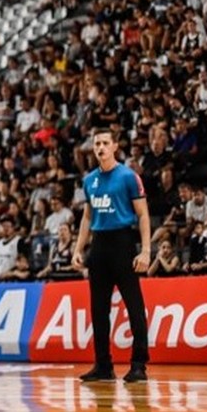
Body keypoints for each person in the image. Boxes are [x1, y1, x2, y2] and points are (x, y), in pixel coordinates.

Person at [73, 128, 151, 383]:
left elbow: (143, 215)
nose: (100, 147)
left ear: (115, 146)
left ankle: (139, 364)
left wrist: (146, 250)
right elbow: (87, 217)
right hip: (99, 245)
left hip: (122, 242)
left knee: (134, 307)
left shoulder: (128, 176)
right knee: (98, 309)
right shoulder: (90, 180)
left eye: (105, 143)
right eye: (97, 143)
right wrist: (78, 248)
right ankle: (103, 365)